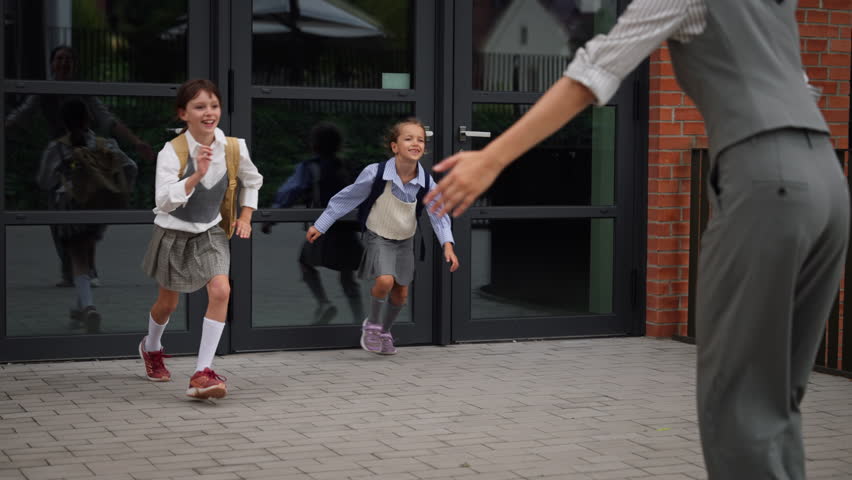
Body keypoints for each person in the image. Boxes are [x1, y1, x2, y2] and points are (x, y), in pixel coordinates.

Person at [424, 1, 849, 479]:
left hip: (766, 180)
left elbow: (595, 71)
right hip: (827, 179)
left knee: (739, 404)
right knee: (777, 398)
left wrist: (492, 158)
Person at [138, 79, 263, 399]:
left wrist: (246, 216)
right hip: (173, 233)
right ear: (183, 114)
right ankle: (151, 347)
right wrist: (195, 175)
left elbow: (253, 181)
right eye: (199, 107)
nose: (209, 112)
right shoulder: (172, 151)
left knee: (221, 290)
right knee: (168, 303)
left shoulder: (234, 148)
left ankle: (202, 372)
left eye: (214, 105)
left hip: (211, 231)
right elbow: (163, 201)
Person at [6, 45, 155, 288]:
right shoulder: (43, 91)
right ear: (52, 64)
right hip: (59, 156)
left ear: (73, 66)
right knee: (59, 219)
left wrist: (137, 143)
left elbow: (108, 119)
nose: (63, 64)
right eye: (59, 59)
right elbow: (20, 116)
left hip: (87, 158)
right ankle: (72, 272)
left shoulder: (84, 92)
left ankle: (86, 271)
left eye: (68, 60)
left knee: (87, 216)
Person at [307, 118, 460, 355]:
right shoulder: (375, 173)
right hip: (378, 235)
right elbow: (348, 198)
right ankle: (373, 325)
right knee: (385, 281)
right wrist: (322, 224)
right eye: (408, 138)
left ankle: (385, 331)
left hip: (404, 240)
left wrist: (447, 245)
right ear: (394, 146)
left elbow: (438, 213)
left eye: (420, 139)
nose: (415, 143)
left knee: (401, 292)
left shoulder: (425, 181)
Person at [37, 99, 137, 333]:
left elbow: (44, 181)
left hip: (70, 207)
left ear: (63, 121)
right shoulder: (106, 144)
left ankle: (89, 307)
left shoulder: (58, 148)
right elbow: (131, 167)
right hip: (99, 205)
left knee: (78, 257)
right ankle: (79, 309)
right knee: (86, 252)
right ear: (89, 118)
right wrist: (120, 190)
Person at [263, 122, 365, 324]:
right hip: (346, 230)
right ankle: (360, 320)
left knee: (305, 262)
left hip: (324, 229)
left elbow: (291, 192)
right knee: (347, 277)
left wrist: (271, 218)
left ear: (314, 145)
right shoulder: (349, 166)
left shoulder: (310, 168)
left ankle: (324, 302)